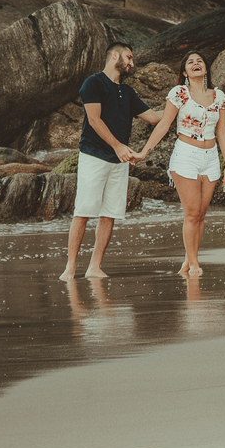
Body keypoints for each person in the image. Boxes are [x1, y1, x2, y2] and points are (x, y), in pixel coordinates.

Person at [60, 42, 161, 281]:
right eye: (129, 57)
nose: (132, 63)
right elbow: (94, 120)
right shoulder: (93, 83)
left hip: (119, 161)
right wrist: (118, 146)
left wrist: (178, 100)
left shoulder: (127, 92)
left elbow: (154, 118)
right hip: (94, 156)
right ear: (114, 55)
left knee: (109, 213)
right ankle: (70, 267)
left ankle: (94, 267)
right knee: (83, 211)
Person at [136, 50, 225, 277]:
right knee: (191, 213)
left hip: (210, 158)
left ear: (206, 68)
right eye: (191, 62)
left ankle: (188, 262)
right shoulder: (179, 93)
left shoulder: (219, 96)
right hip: (186, 156)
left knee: (201, 214)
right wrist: (143, 153)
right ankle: (194, 264)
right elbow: (163, 125)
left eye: (200, 61)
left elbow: (223, 132)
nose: (196, 63)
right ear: (185, 71)